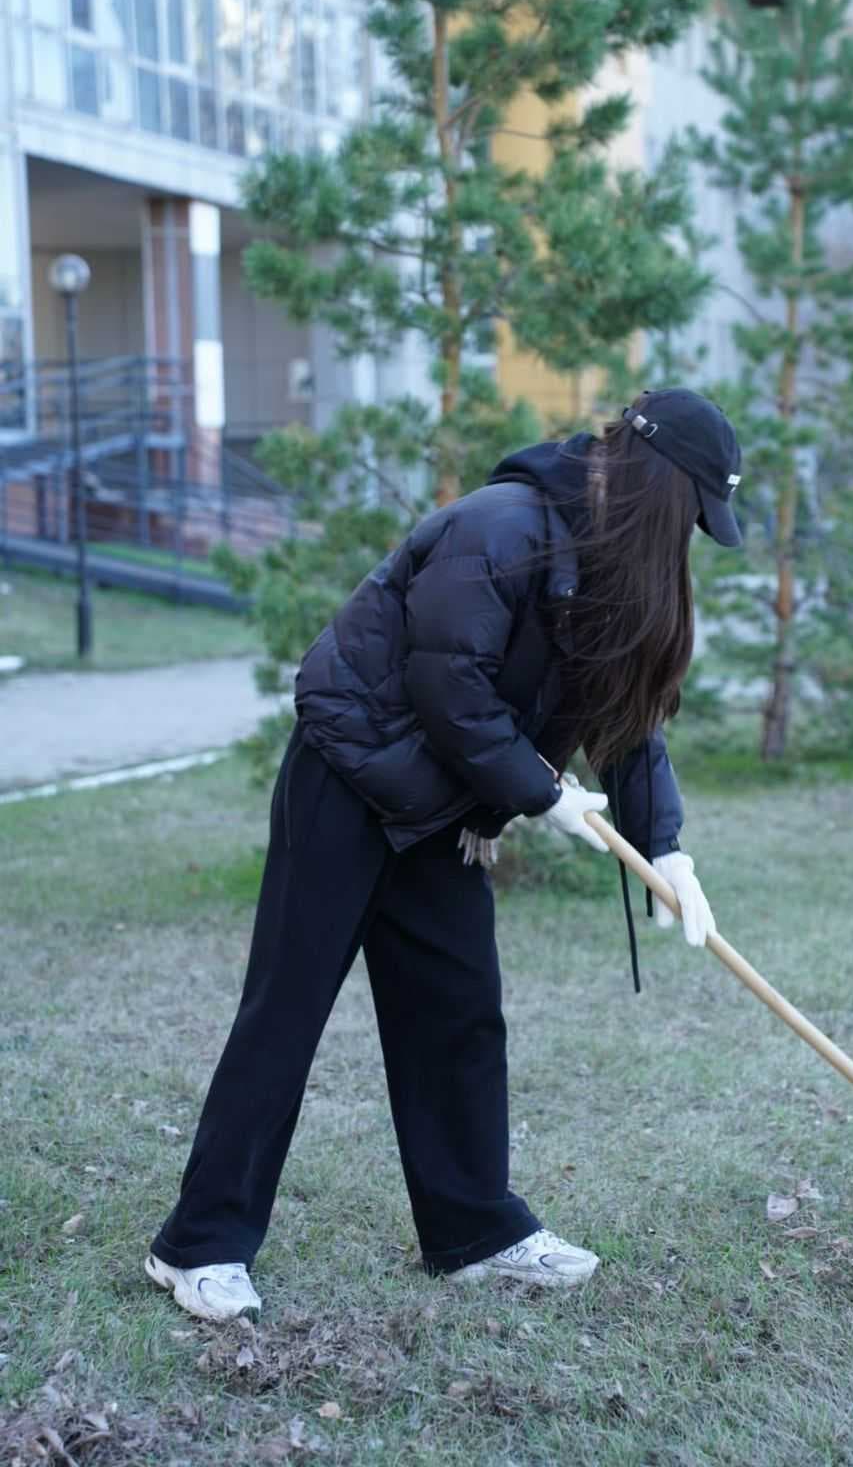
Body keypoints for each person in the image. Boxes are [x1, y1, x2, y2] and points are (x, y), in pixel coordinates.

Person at [145, 388, 743, 1320]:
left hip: (446, 806)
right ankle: (198, 1246)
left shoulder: (608, 563)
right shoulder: (502, 526)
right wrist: (540, 794)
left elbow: (627, 727)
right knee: (286, 1011)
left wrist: (668, 851)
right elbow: (445, 683)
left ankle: (476, 1233)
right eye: (696, 516)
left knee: (458, 1014)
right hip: (348, 778)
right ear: (662, 489)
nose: (692, 540)